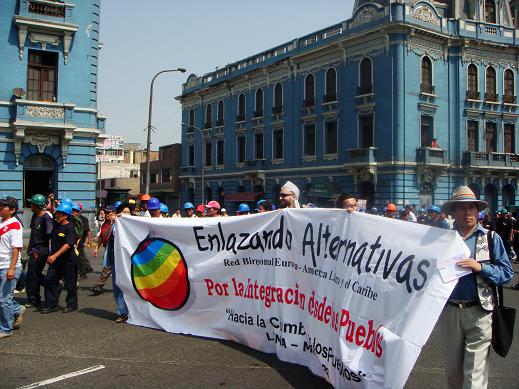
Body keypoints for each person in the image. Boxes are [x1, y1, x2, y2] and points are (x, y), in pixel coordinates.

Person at [440, 186, 513, 389]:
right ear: (453, 212)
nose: (467, 212)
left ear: (477, 210)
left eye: (471, 207)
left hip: (480, 311)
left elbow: (506, 274)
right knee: (453, 374)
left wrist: (480, 267)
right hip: (450, 311)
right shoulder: (442, 239)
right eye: (462, 208)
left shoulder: (490, 238)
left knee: (474, 376)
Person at [41, 202, 78, 314]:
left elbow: (68, 244)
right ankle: (51, 304)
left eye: (59, 214)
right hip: (56, 260)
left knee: (70, 284)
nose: (56, 215)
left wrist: (55, 255)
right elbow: (50, 211)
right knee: (49, 281)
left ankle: (71, 305)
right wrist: (52, 202)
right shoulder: (56, 225)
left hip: (68, 260)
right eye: (57, 213)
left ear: (66, 216)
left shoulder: (70, 228)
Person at [0, 197, 24, 338]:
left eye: (5, 206)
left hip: (8, 266)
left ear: (13, 210)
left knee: (4, 299)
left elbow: (16, 249)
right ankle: (17, 309)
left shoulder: (15, 225)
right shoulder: (2, 222)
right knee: (3, 298)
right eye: (1, 205)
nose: (1, 208)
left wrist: (11, 269)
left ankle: (6, 329)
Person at [25, 194, 53, 310]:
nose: (30, 206)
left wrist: (45, 252)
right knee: (33, 275)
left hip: (41, 251)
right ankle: (52, 286)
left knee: (32, 275)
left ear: (37, 206)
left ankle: (34, 300)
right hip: (33, 250)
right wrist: (30, 249)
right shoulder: (34, 216)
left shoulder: (46, 218)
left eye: (31, 204)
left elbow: (50, 236)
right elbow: (33, 235)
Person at [90, 205, 116, 296]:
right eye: (105, 212)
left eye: (108, 212)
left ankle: (98, 285)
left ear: (113, 213)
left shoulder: (117, 223)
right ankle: (98, 286)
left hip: (115, 249)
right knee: (108, 268)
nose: (106, 214)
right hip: (108, 249)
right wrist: (96, 248)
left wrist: (113, 221)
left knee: (108, 268)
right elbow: (101, 237)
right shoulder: (105, 223)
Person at [72, 203, 92, 280]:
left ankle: (83, 274)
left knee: (80, 258)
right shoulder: (71, 218)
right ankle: (85, 269)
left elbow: (87, 230)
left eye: (76, 211)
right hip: (73, 242)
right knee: (80, 258)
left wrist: (89, 241)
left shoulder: (83, 219)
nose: (74, 212)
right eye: (73, 210)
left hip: (79, 242)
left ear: (79, 211)